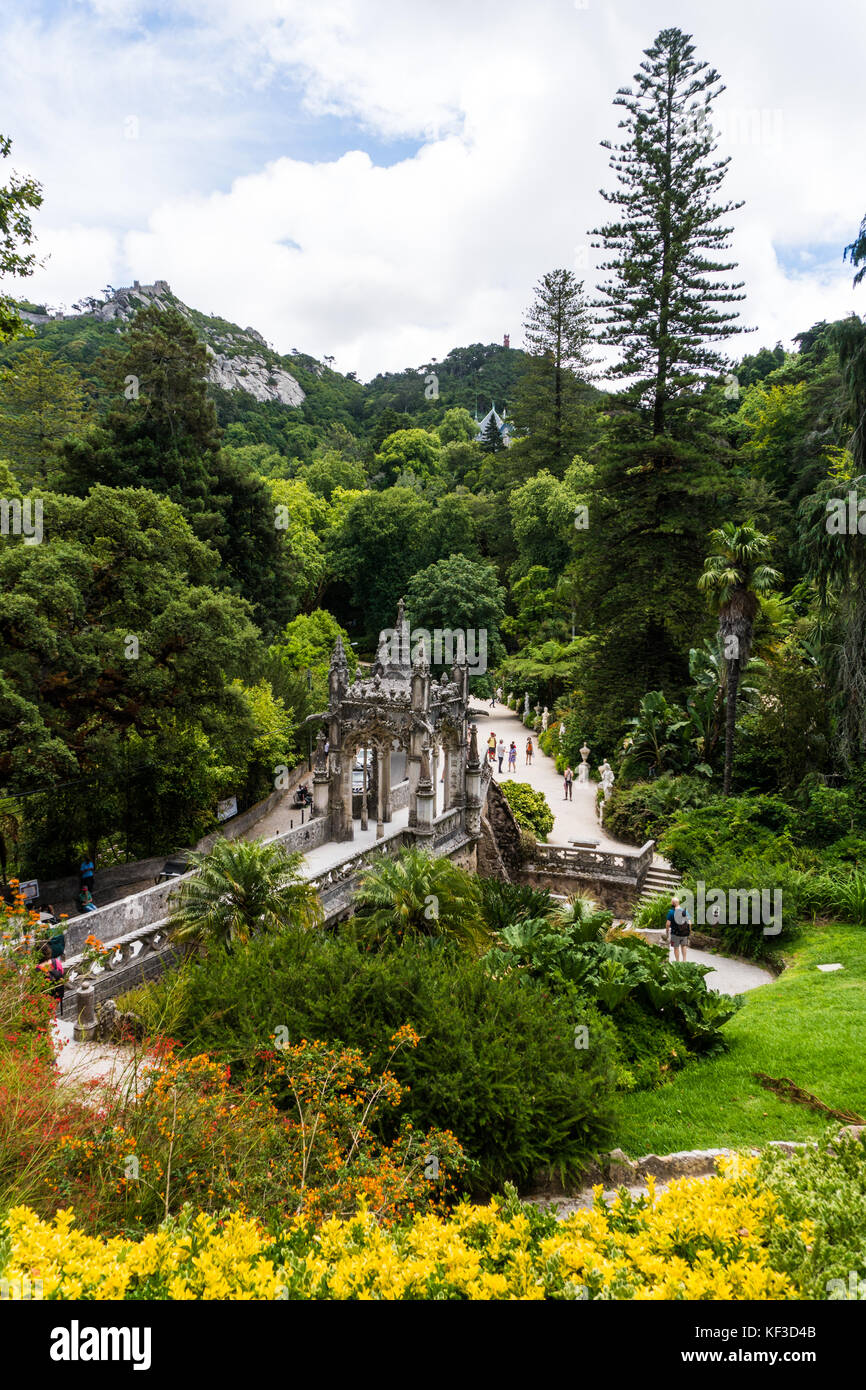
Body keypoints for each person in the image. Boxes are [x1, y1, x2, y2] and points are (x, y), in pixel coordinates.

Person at [36, 942, 65, 1012]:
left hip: (44, 1000)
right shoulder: (56, 962)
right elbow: (62, 974)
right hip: (56, 998)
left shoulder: (36, 970)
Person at [666, 895, 691, 961]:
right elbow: (690, 923)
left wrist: (667, 931)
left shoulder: (671, 912)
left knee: (676, 947)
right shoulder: (685, 911)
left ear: (673, 903)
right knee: (684, 946)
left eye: (671, 902)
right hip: (684, 933)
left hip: (675, 933)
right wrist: (689, 931)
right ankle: (684, 960)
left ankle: (677, 961)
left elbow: (668, 924)